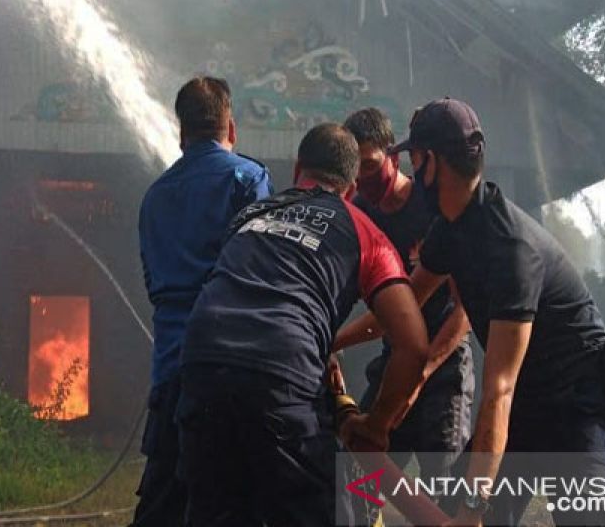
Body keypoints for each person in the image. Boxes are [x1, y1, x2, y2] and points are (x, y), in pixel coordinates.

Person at [335, 99, 605, 526]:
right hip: (527, 401)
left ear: (430, 162)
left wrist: (473, 511)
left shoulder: (511, 248)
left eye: (414, 159)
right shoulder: (451, 232)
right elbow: (397, 314)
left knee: (589, 520)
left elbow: (498, 390)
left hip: (574, 403)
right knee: (461, 505)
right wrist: (334, 343)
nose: (412, 173)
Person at [176, 123, 428, 527]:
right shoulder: (363, 231)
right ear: (351, 188)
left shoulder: (250, 216)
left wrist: (321, 346)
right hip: (281, 374)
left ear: (298, 169)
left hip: (201, 366)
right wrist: (376, 425)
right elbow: (413, 344)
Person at [133, 76, 273, 527]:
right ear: (230, 128)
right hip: (231, 370)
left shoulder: (155, 197)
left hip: (171, 371)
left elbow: (153, 281)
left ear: (181, 133)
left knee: (162, 503)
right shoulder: (248, 179)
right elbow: (262, 273)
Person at [338, 107, 474, 488]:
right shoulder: (357, 217)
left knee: (443, 483)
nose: (362, 178)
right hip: (394, 358)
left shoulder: (433, 206)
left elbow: (465, 312)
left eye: (369, 164)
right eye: (355, 168)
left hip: (444, 363)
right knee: (355, 473)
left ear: (393, 156)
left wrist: (424, 372)